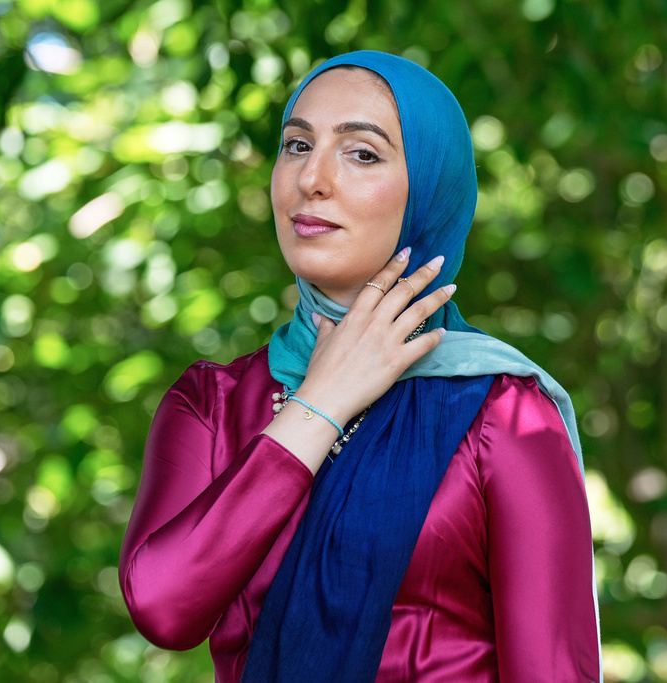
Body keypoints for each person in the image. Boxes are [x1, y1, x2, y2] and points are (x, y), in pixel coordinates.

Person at [119, 51, 602, 682]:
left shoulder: (501, 411)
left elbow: (553, 672)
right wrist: (319, 403)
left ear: (429, 190)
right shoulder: (213, 402)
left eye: (362, 153)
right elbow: (163, 607)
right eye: (296, 145)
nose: (311, 178)